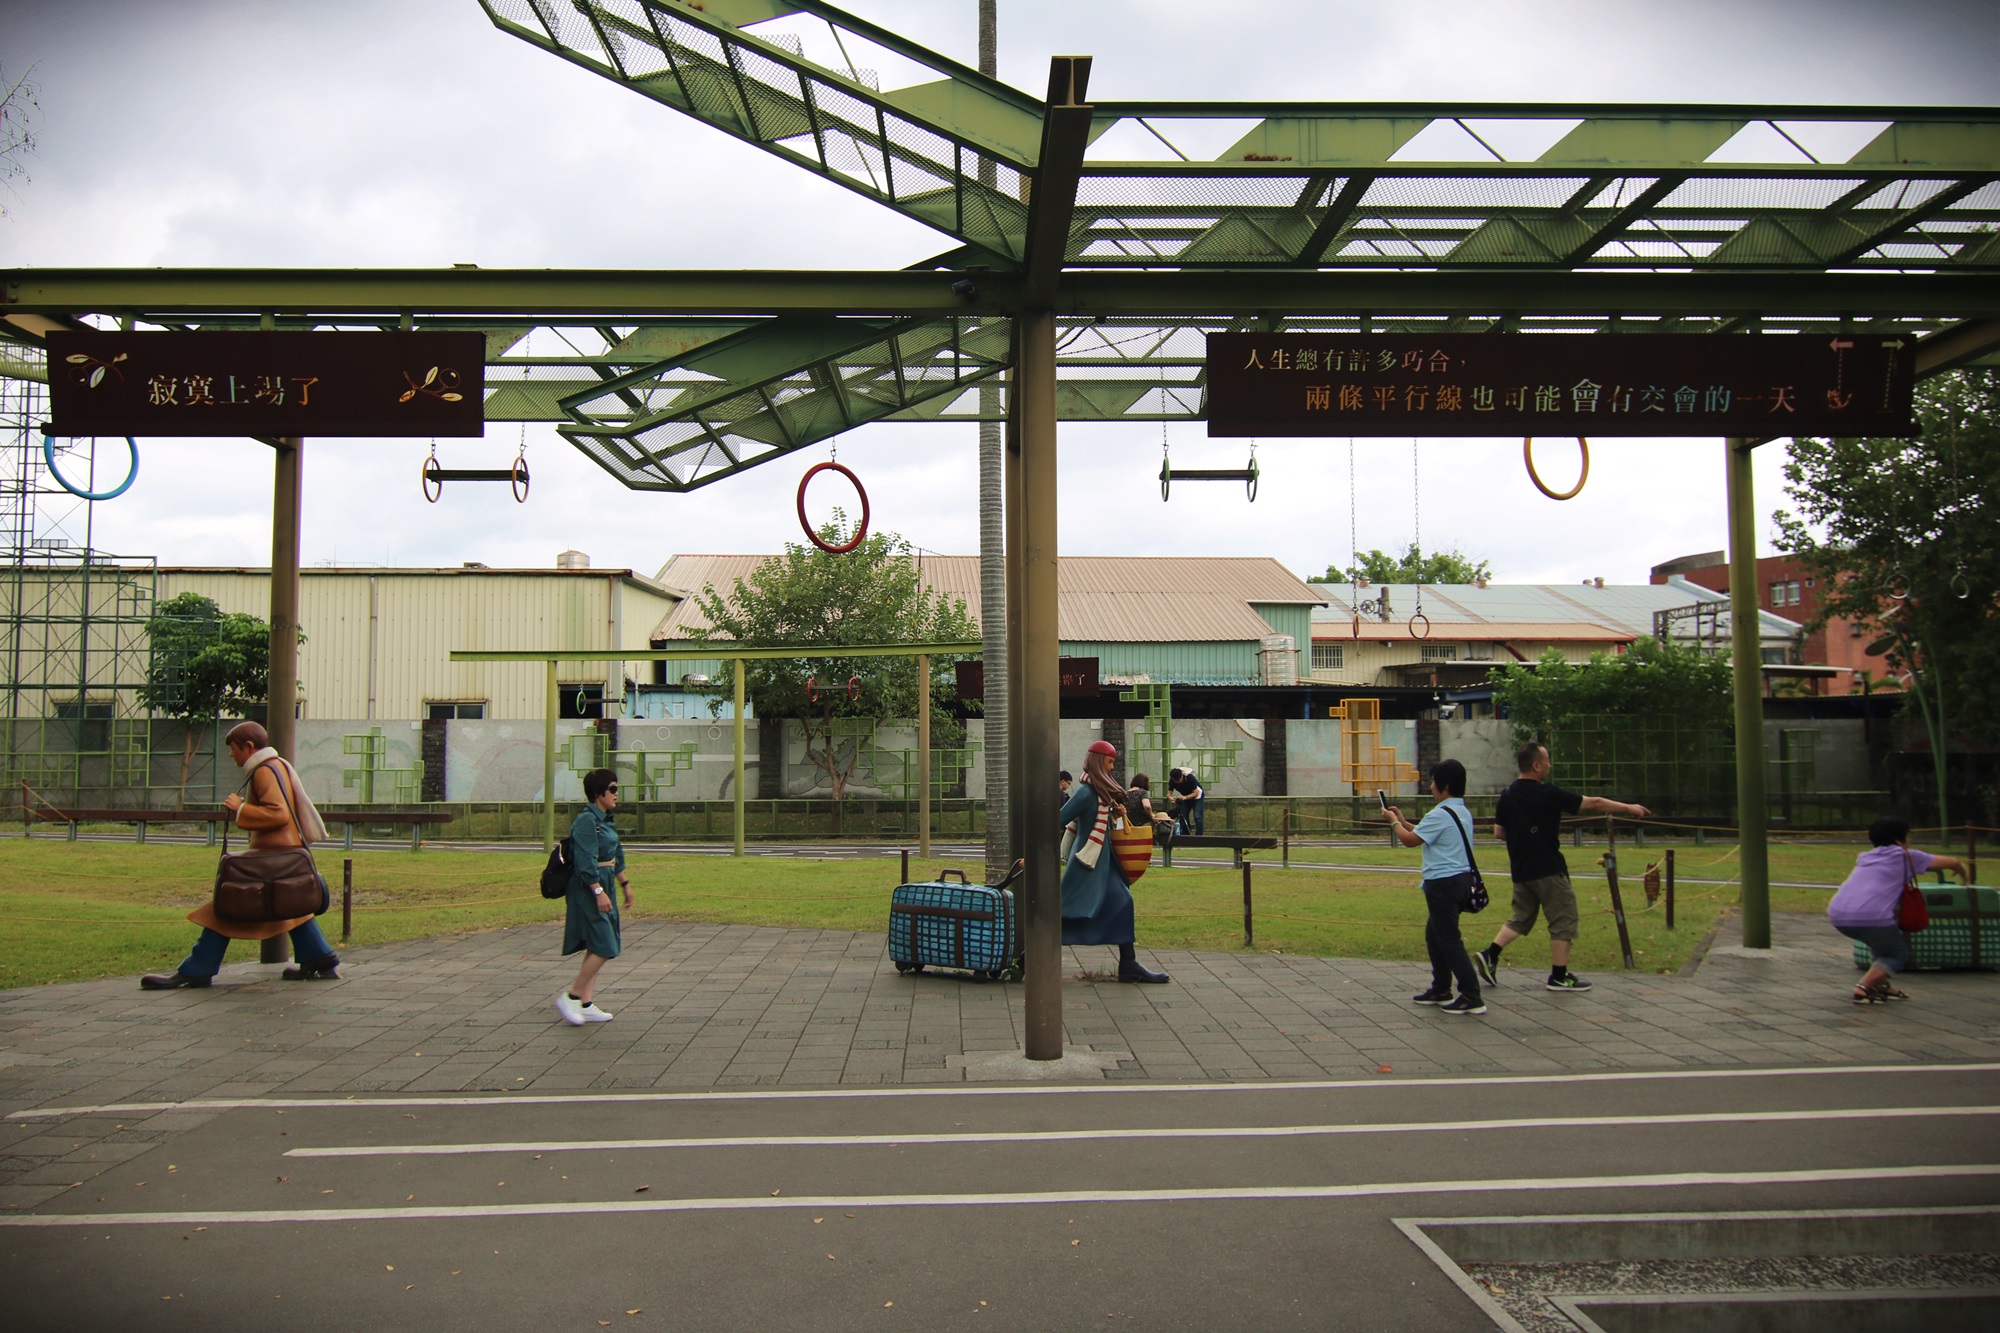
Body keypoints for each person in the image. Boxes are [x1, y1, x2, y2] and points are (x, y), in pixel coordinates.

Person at [141, 721, 341, 989]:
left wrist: (241, 808)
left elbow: (278, 814)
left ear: (248, 746)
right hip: (284, 854)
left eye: (234, 748)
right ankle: (319, 957)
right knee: (288, 903)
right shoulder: (277, 765)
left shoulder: (264, 771)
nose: (231, 754)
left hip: (273, 855)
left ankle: (199, 968)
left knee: (229, 905)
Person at [1474, 741, 1651, 994]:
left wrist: (1524, 835)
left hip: (1521, 870)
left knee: (1522, 917)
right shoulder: (1548, 793)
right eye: (1547, 760)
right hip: (1548, 868)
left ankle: (1490, 954)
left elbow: (1499, 833)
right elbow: (1594, 803)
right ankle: (1559, 976)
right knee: (1563, 919)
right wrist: (1628, 807)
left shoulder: (1508, 795)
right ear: (1536, 766)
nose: (1549, 765)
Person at [1059, 739, 1169, 984]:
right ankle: (1027, 956)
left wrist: (1112, 813)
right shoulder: (1086, 793)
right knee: (1067, 910)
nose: (1111, 768)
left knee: (1121, 902)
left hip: (1101, 862)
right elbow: (1060, 818)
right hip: (1087, 863)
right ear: (1098, 762)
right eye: (1109, 762)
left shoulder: (1098, 794)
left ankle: (1128, 963)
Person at [1829, 816, 1968, 1004]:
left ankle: (1881, 985)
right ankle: (1863, 987)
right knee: (1897, 954)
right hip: (1871, 916)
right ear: (1899, 840)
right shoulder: (1905, 856)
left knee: (1882, 947)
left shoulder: (1866, 857)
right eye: (1908, 836)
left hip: (1838, 914)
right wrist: (1962, 872)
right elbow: (1950, 862)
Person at [1385, 759, 1484, 1016]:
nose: (1430, 787)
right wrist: (1402, 820)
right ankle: (1441, 988)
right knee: (1435, 934)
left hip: (1443, 883)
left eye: (1432, 782)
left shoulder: (1439, 814)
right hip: (1461, 880)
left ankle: (1471, 994)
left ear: (1444, 785)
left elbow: (1410, 841)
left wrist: (1393, 822)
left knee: (1448, 938)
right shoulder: (1460, 811)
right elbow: (1423, 833)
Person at [557, 767, 633, 1025]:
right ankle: (572, 996)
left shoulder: (606, 820)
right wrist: (598, 891)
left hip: (605, 883)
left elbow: (615, 854)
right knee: (604, 944)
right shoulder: (587, 821)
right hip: (588, 888)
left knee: (598, 943)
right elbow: (585, 860)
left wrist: (624, 883)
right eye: (612, 788)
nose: (616, 793)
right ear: (598, 792)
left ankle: (585, 1003)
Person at [1126, 773, 1174, 846]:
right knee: (1162, 817)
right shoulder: (1142, 792)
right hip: (1142, 822)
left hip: (1129, 822)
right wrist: (1151, 815)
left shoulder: (1126, 793)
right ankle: (1160, 841)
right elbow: (1147, 806)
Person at [1167, 767, 1204, 835]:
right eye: (1176, 781)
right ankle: (1186, 835)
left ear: (1182, 776)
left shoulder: (1190, 778)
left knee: (1198, 816)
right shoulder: (1172, 781)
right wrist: (1171, 798)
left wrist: (1186, 797)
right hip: (1185, 797)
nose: (1178, 782)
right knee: (1183, 815)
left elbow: (1196, 792)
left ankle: (1199, 836)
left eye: (1179, 780)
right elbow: (1169, 793)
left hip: (1197, 796)